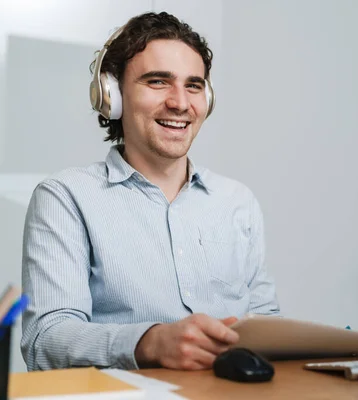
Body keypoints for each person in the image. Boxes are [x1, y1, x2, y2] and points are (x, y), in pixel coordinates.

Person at [20, 11, 280, 372]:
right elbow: (44, 340)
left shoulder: (237, 201)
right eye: (158, 81)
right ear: (112, 96)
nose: (180, 102)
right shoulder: (65, 197)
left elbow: (266, 322)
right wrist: (149, 342)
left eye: (193, 85)